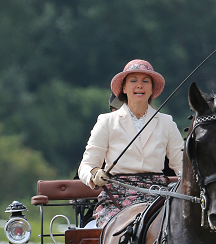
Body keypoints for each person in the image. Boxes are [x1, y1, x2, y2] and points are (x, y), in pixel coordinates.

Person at [78, 59, 184, 227]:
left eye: (145, 81)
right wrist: (95, 174)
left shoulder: (167, 122)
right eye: (133, 80)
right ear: (124, 89)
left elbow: (183, 166)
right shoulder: (106, 121)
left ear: (152, 89)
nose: (139, 86)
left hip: (157, 197)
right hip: (116, 198)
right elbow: (86, 165)